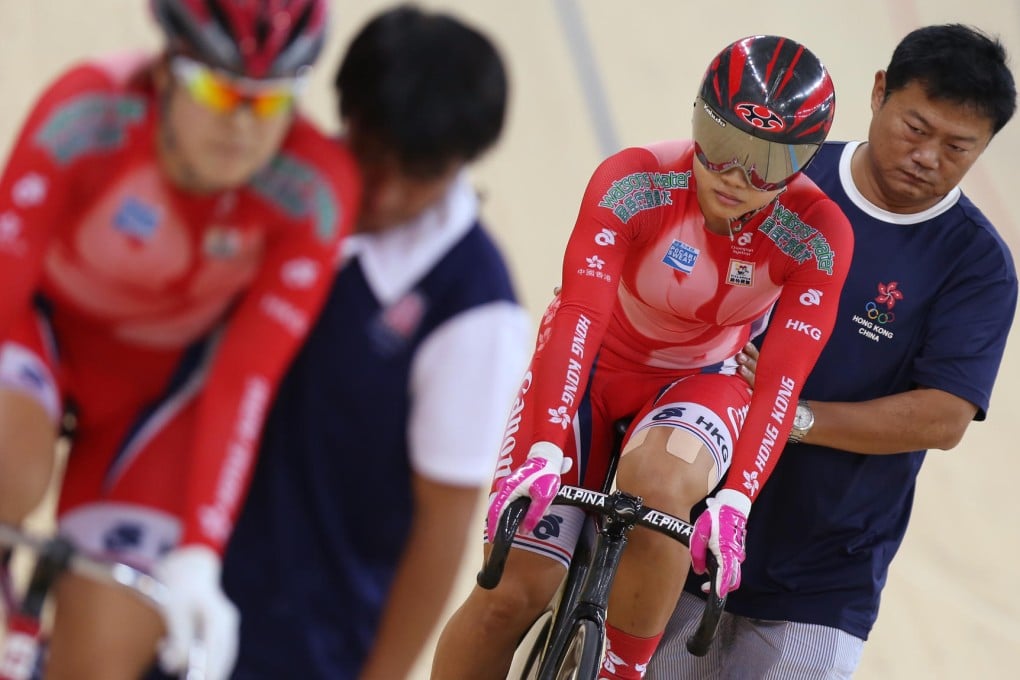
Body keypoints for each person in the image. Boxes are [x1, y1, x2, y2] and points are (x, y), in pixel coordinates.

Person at [431, 34, 854, 680]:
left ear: (805, 164)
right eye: (722, 144)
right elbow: (578, 316)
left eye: (768, 162)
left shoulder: (818, 236)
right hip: (593, 365)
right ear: (695, 119)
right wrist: (546, 448)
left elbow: (781, 380)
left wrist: (737, 500)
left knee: (660, 491)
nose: (736, 176)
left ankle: (619, 670)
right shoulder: (636, 181)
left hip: (701, 381)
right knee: (509, 596)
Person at [0, 1, 360, 679]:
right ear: (167, 69)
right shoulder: (87, 115)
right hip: (38, 341)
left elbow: (246, 379)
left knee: (100, 659)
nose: (244, 125)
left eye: (274, 99)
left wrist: (200, 551)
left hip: (157, 399)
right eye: (220, 89)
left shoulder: (312, 190)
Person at [647, 23, 1018, 680]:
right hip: (685, 526)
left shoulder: (978, 266)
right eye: (917, 128)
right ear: (879, 93)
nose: (929, 156)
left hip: (822, 579)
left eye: (958, 147)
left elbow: (944, 416)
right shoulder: (777, 175)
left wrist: (795, 415)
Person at [220, 6, 531, 680]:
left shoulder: (475, 310)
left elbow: (441, 528)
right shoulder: (273, 184)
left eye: (416, 174)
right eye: (372, 156)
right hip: (176, 578)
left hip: (305, 644)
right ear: (347, 114)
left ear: (458, 163)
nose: (384, 194)